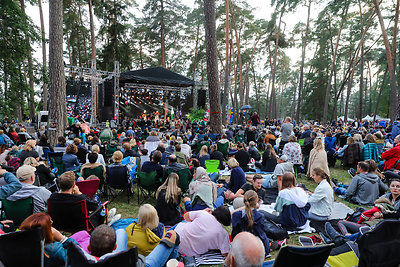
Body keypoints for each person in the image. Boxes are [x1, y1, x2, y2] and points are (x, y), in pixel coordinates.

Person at [231, 190, 270, 256]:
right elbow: (261, 235)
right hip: (257, 249)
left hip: (241, 249)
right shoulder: (259, 216)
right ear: (256, 201)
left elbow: (234, 234)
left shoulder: (236, 215)